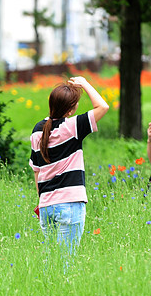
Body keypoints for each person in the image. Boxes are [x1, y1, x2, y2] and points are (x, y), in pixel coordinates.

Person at [29, 76, 109, 254]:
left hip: (46, 206)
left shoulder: (37, 130)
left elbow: (36, 171)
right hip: (69, 203)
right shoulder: (71, 127)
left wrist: (42, 200)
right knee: (66, 260)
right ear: (71, 110)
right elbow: (103, 107)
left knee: (52, 260)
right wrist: (85, 84)